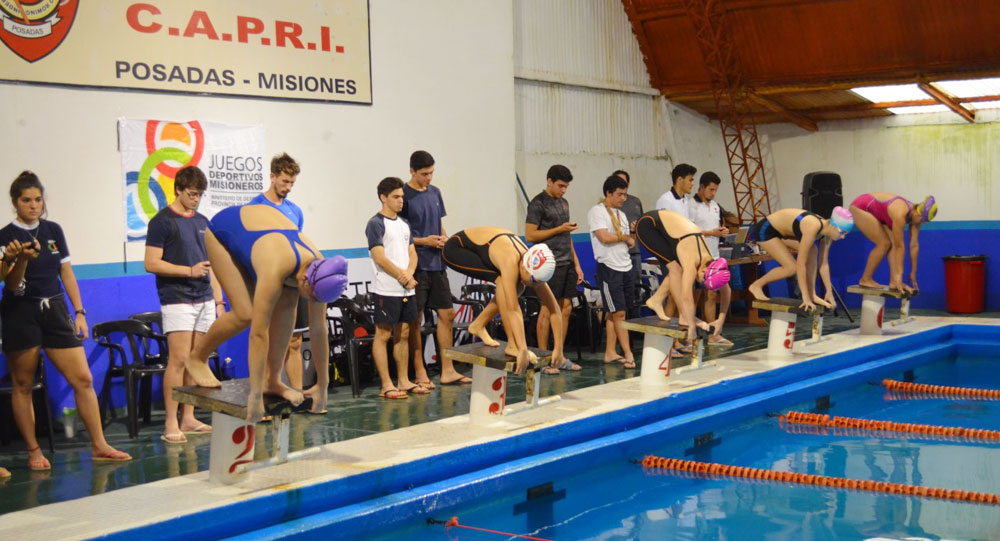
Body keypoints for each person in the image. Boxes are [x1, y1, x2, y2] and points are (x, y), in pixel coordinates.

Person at [0, 171, 131, 469]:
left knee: (83, 379)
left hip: (56, 309)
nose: (33, 205)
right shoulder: (5, 237)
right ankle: (34, 451)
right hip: (20, 311)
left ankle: (99, 445)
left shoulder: (53, 230)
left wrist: (80, 311)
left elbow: (66, 273)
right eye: (26, 200)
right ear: (15, 202)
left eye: (37, 199)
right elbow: (9, 284)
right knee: (23, 384)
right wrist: (18, 259)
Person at [186, 203, 347, 422]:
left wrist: (323, 385)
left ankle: (272, 380)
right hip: (224, 231)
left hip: (268, 234)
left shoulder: (319, 268)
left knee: (289, 301)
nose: (311, 302)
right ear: (306, 280)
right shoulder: (276, 267)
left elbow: (319, 330)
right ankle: (197, 358)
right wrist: (254, 395)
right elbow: (258, 334)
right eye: (311, 297)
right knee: (245, 313)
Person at [144, 166, 223, 443]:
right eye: (191, 194)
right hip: (176, 298)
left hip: (204, 298)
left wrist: (219, 300)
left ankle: (188, 418)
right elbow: (151, 263)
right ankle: (170, 422)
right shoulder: (162, 222)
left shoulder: (203, 221)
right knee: (177, 360)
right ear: (178, 189)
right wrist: (188, 271)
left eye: (199, 195)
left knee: (195, 359)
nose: (195, 199)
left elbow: (211, 265)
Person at [441, 226, 569, 374]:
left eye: (539, 282)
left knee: (517, 287)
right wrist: (522, 349)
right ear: (525, 267)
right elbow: (513, 309)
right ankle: (512, 346)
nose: (535, 286)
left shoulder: (533, 268)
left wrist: (559, 349)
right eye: (534, 281)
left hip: (483, 248)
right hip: (456, 249)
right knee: (506, 284)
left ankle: (478, 325)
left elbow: (554, 309)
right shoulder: (510, 260)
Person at [400, 151, 470, 387]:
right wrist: (423, 241)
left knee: (447, 314)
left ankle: (448, 369)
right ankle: (420, 372)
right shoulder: (403, 195)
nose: (428, 178)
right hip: (415, 265)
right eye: (423, 174)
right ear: (412, 171)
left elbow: (439, 225)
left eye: (431, 173)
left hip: (437, 264)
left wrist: (445, 241)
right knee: (415, 319)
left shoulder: (435, 192)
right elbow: (401, 234)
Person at [249, 153, 308, 392]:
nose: (289, 187)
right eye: (285, 181)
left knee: (294, 341)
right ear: (272, 177)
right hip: (267, 282)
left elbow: (299, 246)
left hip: (292, 283)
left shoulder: (295, 211)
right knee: (267, 340)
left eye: (292, 183)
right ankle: (261, 396)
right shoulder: (255, 208)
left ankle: (298, 395)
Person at [635, 210, 732, 345]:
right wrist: (691, 324)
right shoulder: (691, 262)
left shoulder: (714, 265)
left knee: (677, 269)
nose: (700, 282)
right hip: (648, 225)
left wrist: (721, 320)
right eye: (703, 280)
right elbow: (686, 296)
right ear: (705, 270)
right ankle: (683, 316)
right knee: (676, 270)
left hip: (671, 231)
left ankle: (656, 299)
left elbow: (727, 292)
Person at [366, 177, 423, 400]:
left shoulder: (404, 224)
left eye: (402, 197)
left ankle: (404, 380)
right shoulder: (375, 224)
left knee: (405, 333)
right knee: (383, 334)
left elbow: (412, 253)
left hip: (406, 288)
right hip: (386, 289)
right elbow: (379, 257)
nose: (401, 201)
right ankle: (386, 384)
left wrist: (409, 274)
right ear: (383, 198)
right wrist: (402, 276)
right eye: (396, 197)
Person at [524, 164, 582, 372]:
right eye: (560, 186)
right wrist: (558, 229)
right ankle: (543, 357)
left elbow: (567, 235)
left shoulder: (564, 203)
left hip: (567, 261)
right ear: (549, 181)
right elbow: (530, 235)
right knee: (547, 309)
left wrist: (576, 263)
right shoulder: (537, 204)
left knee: (565, 309)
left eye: (566, 187)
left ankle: (559, 354)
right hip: (548, 264)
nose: (563, 190)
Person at [746, 206, 855, 311]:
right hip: (766, 230)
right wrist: (805, 297)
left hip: (783, 233)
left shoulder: (826, 234)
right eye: (842, 232)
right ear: (833, 225)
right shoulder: (812, 226)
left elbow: (824, 265)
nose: (843, 237)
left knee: (813, 250)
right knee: (791, 268)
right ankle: (756, 285)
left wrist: (829, 292)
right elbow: (801, 264)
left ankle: (813, 294)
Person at [588, 175, 636, 369]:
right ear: (608, 193)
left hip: (625, 266)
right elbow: (604, 237)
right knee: (619, 314)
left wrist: (631, 233)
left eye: (625, 194)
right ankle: (628, 353)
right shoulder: (597, 212)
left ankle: (610, 352)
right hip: (609, 268)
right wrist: (625, 237)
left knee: (613, 313)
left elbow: (630, 242)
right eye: (619, 194)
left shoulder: (621, 215)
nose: (624, 198)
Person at [849, 193, 937, 293]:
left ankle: (894, 282)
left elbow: (914, 245)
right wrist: (900, 274)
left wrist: (913, 271)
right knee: (884, 244)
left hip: (880, 213)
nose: (921, 223)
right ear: (918, 213)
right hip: (860, 207)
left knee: (891, 245)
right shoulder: (900, 213)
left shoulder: (915, 217)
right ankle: (865, 279)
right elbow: (900, 246)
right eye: (922, 220)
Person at [688, 172, 733, 346]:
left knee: (712, 295)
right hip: (697, 256)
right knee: (694, 296)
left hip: (714, 255)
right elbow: (689, 231)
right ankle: (690, 334)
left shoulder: (715, 205)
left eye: (716, 190)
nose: (713, 193)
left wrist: (722, 231)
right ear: (701, 187)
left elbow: (716, 227)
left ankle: (713, 334)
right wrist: (709, 233)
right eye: (711, 189)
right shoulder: (691, 206)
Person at [612, 170, 644, 314]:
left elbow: (642, 226)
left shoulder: (636, 202)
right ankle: (622, 326)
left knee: (635, 288)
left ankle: (634, 328)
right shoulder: (609, 207)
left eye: (623, 182)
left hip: (634, 253)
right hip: (617, 256)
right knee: (620, 292)